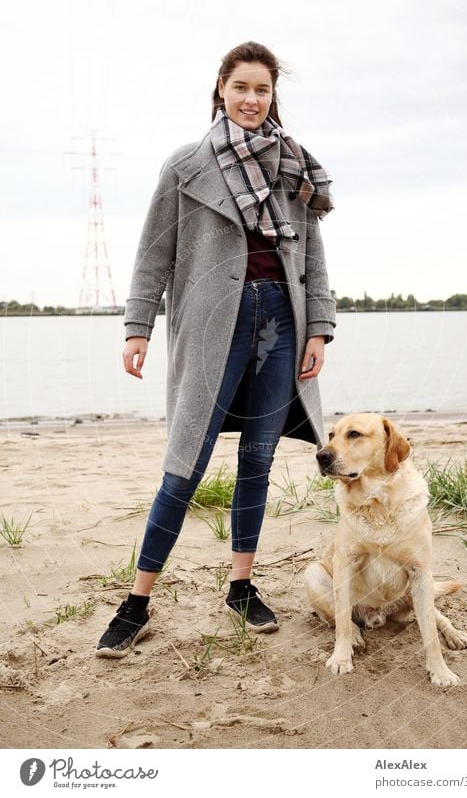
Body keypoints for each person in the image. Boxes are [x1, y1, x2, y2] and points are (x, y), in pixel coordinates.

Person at [95, 41, 336, 658]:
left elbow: (311, 252)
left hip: (281, 320)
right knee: (185, 464)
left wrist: (319, 327)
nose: (252, 100)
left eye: (263, 90)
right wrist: (137, 325)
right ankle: (138, 601)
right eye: (242, 88)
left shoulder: (294, 166)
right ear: (220, 90)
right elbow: (154, 252)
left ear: (271, 95)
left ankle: (241, 586)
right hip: (211, 327)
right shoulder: (186, 166)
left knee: (257, 460)